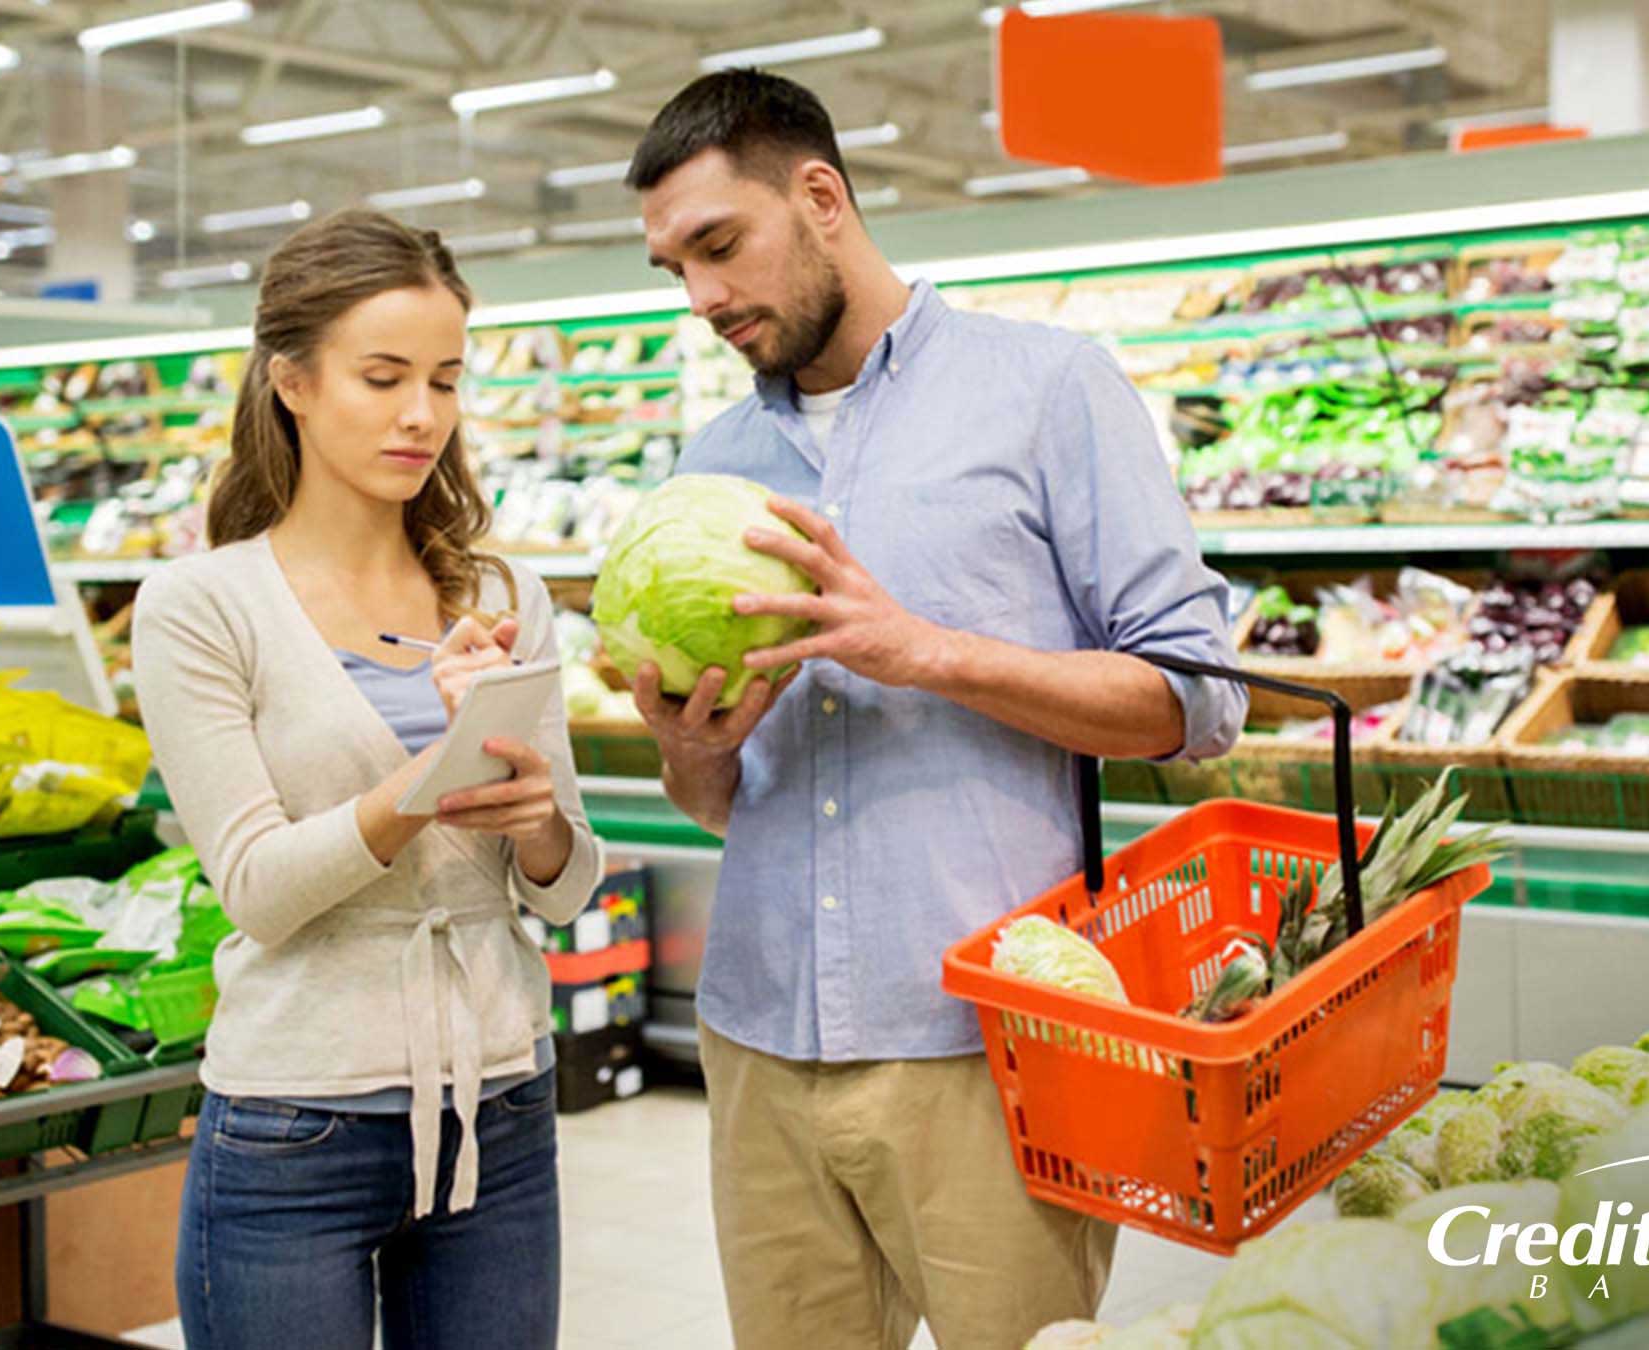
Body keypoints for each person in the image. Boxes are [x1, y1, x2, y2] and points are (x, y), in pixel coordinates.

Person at [622, 71, 1248, 1349]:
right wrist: (692, 756)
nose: (703, 301)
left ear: (822, 196)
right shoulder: (710, 469)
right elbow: (717, 803)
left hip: (989, 1045)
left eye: (720, 247)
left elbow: (1198, 698)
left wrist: (927, 651)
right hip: (758, 1037)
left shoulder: (1048, 389)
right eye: (672, 269)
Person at [132, 208, 603, 1350]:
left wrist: (536, 822)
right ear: (291, 380)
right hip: (297, 1123)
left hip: (500, 1103)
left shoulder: (500, 594)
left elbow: (566, 884)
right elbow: (256, 887)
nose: (420, 415)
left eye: (444, 381)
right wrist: (421, 786)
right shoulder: (201, 607)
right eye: (383, 376)